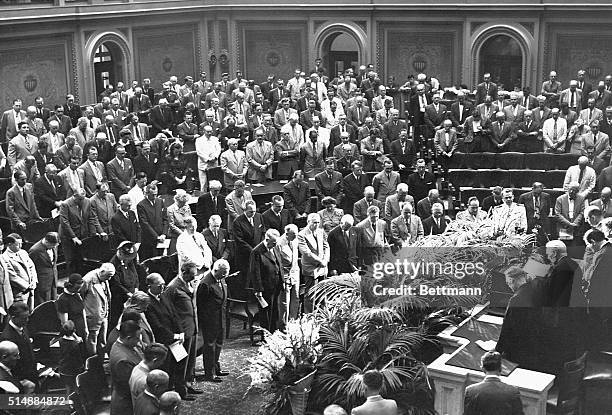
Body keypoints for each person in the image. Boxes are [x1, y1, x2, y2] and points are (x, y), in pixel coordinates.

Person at [496, 266, 549, 372]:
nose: (509, 287)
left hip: (522, 351)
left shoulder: (516, 299)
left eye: (508, 283)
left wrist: (497, 350)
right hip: (539, 347)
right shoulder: (537, 291)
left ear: (511, 280)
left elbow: (507, 328)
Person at [163, 262, 202, 399]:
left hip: (192, 328)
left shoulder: (190, 283)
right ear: (184, 272)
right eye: (191, 275)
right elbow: (167, 311)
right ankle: (181, 390)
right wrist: (176, 332)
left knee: (190, 360)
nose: (194, 278)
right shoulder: (172, 287)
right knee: (181, 363)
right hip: (181, 332)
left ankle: (188, 384)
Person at [144, 273, 186, 398]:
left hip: (175, 338)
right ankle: (166, 396)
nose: (162, 288)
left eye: (163, 285)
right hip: (163, 340)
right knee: (166, 368)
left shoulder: (164, 295)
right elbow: (157, 325)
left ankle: (180, 391)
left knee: (180, 363)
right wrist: (174, 336)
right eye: (159, 285)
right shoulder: (147, 301)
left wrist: (181, 332)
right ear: (150, 285)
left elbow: (174, 314)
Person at [197, 259, 230, 382]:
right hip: (210, 321)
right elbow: (201, 306)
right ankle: (209, 374)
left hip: (221, 319)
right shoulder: (205, 284)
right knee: (210, 347)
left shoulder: (220, 278)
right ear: (215, 270)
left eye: (226, 274)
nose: (224, 276)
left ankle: (216, 367)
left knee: (219, 344)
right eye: (222, 274)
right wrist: (206, 322)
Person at [249, 229, 283, 332]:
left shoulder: (274, 246)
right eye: (273, 242)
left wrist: (283, 281)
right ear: (267, 239)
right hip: (265, 288)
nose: (275, 244)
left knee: (275, 311)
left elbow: (279, 264)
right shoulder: (256, 252)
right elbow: (255, 273)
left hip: (276, 285)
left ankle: (274, 333)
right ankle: (266, 336)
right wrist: (258, 290)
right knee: (266, 313)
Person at [109, 320, 144, 415]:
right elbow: (131, 386)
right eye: (137, 338)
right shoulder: (123, 360)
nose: (139, 341)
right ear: (128, 338)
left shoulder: (122, 345)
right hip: (126, 406)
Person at [82, 263, 115, 356]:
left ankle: (101, 360)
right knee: (92, 342)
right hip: (92, 317)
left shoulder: (104, 279)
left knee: (102, 341)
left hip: (103, 316)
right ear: (102, 272)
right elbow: (80, 298)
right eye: (109, 276)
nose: (110, 279)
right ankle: (92, 362)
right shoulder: (88, 280)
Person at [0, 302, 37, 385]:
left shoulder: (22, 327)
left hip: (31, 374)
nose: (27, 320)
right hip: (22, 380)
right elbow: (9, 365)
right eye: (24, 318)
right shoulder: (7, 338)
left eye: (28, 317)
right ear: (13, 317)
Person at [109, 241, 141, 329]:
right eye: (126, 257)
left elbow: (135, 274)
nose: (128, 259)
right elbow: (116, 284)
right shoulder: (113, 264)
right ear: (120, 253)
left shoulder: (129, 260)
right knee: (117, 318)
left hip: (132, 293)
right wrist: (128, 293)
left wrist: (136, 288)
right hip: (119, 297)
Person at [2, 234, 37, 309]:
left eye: (21, 244)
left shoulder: (23, 252)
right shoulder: (5, 258)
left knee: (31, 311)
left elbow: (31, 266)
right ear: (9, 244)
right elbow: (12, 276)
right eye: (18, 244)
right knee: (22, 313)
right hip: (20, 292)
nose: (21, 246)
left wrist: (34, 281)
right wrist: (27, 286)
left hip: (31, 289)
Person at [137, 183, 168, 260]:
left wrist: (164, 234)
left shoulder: (160, 201)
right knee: (151, 260)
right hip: (149, 240)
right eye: (152, 195)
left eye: (156, 194)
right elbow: (144, 223)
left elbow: (165, 219)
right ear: (147, 193)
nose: (155, 196)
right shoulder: (141, 205)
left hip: (162, 238)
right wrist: (156, 237)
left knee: (161, 259)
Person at [28, 232, 59, 306]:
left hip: (53, 278)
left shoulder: (54, 245)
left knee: (54, 300)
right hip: (42, 281)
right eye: (53, 245)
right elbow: (30, 267)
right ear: (46, 242)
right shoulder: (35, 250)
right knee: (43, 303)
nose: (54, 247)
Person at [56, 273, 87, 342]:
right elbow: (65, 323)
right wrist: (76, 337)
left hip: (81, 329)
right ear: (71, 286)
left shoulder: (77, 295)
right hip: (72, 334)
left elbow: (83, 311)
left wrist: (86, 328)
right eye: (77, 288)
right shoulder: (63, 299)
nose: (78, 290)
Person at [58, 320, 85, 394]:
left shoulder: (60, 340)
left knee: (68, 387)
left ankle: (68, 401)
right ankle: (75, 401)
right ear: (74, 331)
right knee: (75, 387)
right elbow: (78, 359)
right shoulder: (75, 345)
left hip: (63, 369)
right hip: (72, 371)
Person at [166, 189, 193, 255]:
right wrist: (182, 234)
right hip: (175, 236)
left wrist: (189, 232)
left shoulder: (187, 207)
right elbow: (172, 225)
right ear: (177, 201)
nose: (184, 205)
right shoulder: (170, 209)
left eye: (185, 202)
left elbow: (190, 220)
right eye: (182, 203)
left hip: (187, 234)